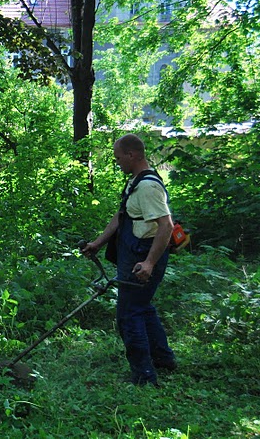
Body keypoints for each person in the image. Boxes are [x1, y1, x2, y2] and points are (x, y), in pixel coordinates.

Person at [81, 133, 176, 386]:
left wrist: (149, 263)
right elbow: (122, 215)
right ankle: (164, 360)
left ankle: (144, 376)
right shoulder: (135, 181)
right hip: (133, 252)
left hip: (143, 256)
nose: (117, 162)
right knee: (142, 308)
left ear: (132, 155)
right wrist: (98, 243)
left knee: (128, 314)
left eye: (118, 157)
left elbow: (166, 227)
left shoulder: (148, 187)